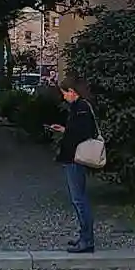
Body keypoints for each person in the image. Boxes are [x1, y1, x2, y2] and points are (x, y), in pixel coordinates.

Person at [50, 76, 98, 254]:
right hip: (73, 157)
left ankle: (87, 240)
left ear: (72, 92)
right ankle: (84, 237)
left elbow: (84, 132)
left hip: (76, 158)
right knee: (78, 199)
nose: (64, 97)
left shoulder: (81, 107)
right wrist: (64, 129)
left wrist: (68, 131)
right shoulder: (79, 107)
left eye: (64, 93)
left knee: (79, 199)